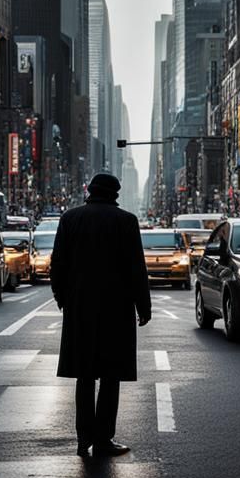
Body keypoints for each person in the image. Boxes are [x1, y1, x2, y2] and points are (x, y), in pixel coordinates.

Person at [50, 173, 151, 458]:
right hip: (116, 309)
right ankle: (104, 438)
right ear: (114, 194)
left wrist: (62, 298)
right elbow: (136, 269)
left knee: (84, 375)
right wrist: (143, 307)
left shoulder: (70, 219)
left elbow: (57, 263)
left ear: (90, 191)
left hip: (79, 307)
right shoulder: (126, 221)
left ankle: (83, 438)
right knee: (110, 374)